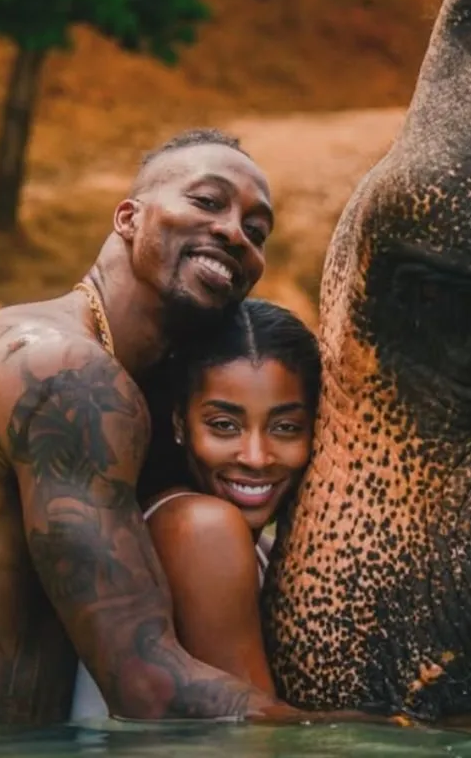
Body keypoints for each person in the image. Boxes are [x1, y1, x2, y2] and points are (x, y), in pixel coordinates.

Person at [0, 128, 301, 724]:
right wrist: (396, 739)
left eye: (257, 230)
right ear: (128, 218)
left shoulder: (107, 375)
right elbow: (148, 687)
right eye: (208, 201)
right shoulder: (65, 373)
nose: (233, 233)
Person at [69, 298, 321, 722]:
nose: (257, 456)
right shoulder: (201, 527)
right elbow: (256, 734)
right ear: (180, 425)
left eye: (285, 427)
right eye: (224, 425)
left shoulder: (246, 542)